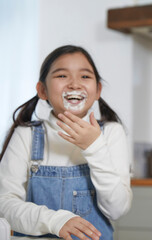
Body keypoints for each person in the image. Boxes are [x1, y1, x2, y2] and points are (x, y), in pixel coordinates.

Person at [0, 45, 132, 240]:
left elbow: (117, 209)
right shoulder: (26, 134)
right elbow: (4, 204)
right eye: (62, 76)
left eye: (85, 76)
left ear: (98, 90)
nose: (74, 84)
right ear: (42, 90)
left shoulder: (112, 132)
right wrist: (55, 221)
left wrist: (94, 147)